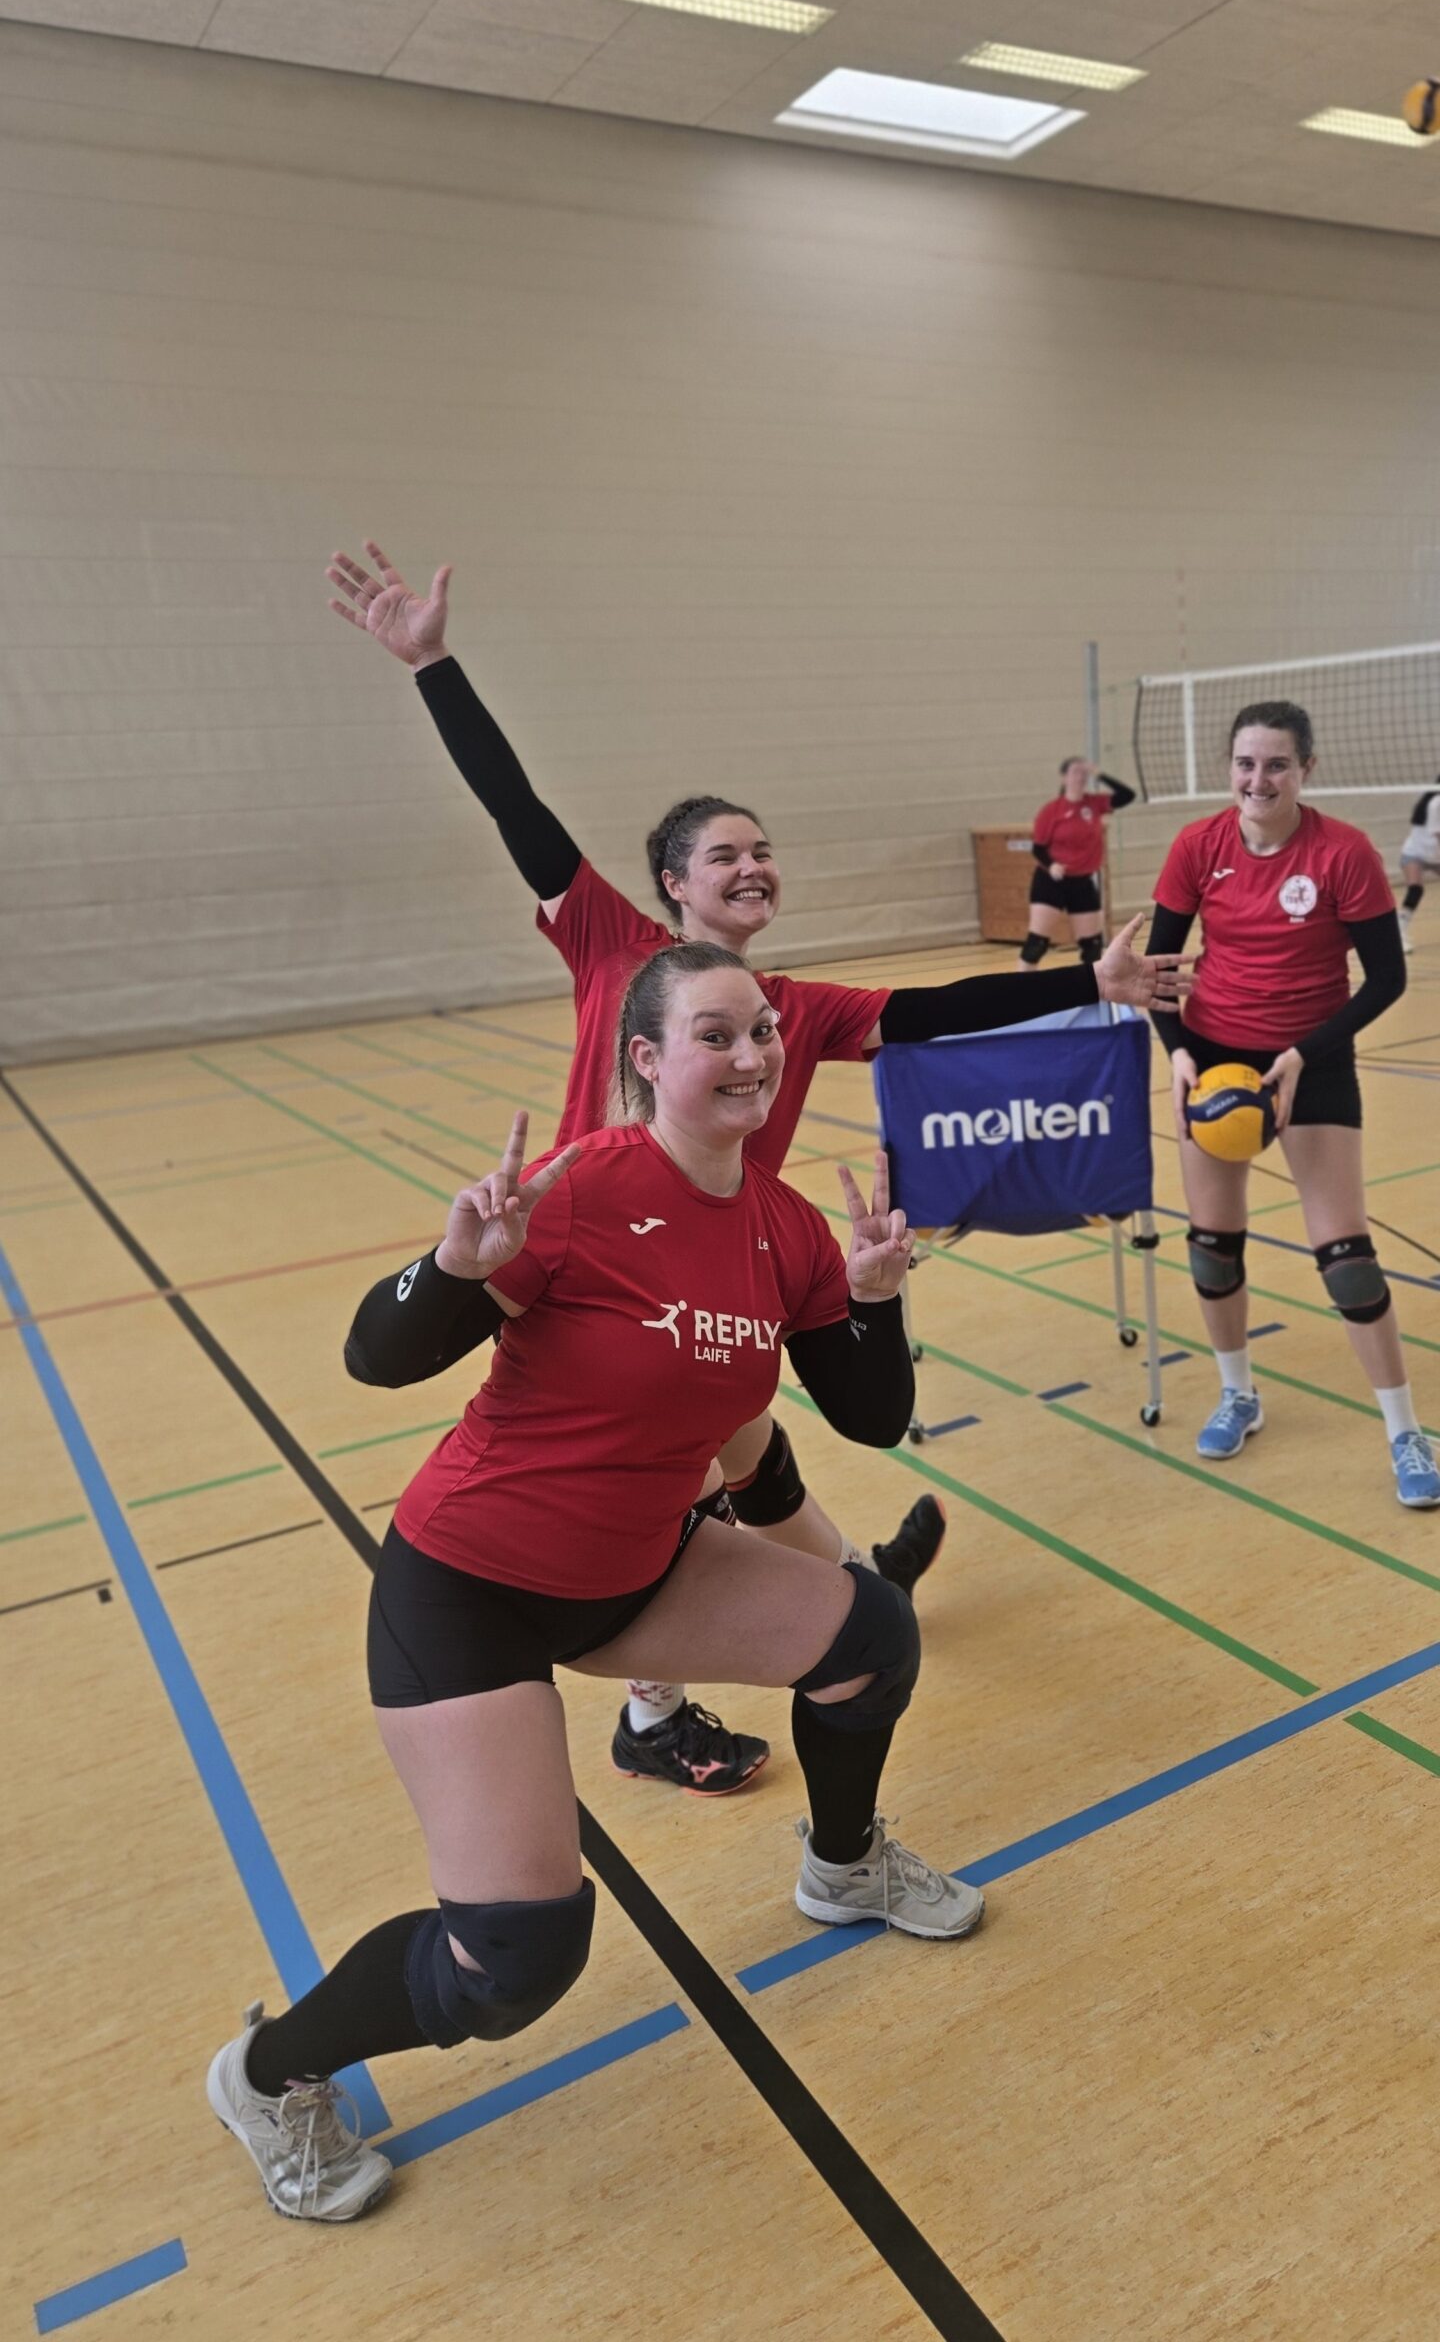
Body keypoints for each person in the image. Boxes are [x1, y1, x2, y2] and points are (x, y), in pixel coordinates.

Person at [328, 544, 1187, 1788]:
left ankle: (844, 1594)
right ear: (672, 883)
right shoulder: (611, 942)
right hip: (584, 1278)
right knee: (691, 1475)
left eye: (762, 850)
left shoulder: (794, 1006)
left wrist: (1080, 983)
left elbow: (931, 1010)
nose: (750, 867)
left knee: (743, 1447)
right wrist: (434, 667)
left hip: (720, 1281)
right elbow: (520, 812)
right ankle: (673, 1701)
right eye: (722, 854)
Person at [209, 944, 983, 2223]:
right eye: (715, 1035)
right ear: (647, 1059)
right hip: (470, 1587)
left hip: (638, 1571)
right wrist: (458, 1266)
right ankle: (266, 2072)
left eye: (762, 1032)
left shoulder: (784, 1226)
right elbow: (374, 1356)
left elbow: (871, 1414)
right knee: (513, 1957)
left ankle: (845, 1867)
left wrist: (874, 1300)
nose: (750, 1055)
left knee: (871, 1635)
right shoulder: (579, 1191)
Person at [1145, 700, 1438, 1507]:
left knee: (1346, 1257)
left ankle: (1405, 1430)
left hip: (1311, 1059)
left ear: (1306, 769)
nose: (1259, 779)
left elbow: (1388, 978)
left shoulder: (1343, 852)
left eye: (1276, 764)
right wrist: (1177, 1054)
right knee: (1212, 1246)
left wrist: (1304, 1054)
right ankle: (1239, 1392)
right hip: (1213, 1061)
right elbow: (1159, 970)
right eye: (1246, 763)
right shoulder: (1198, 846)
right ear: (1229, 768)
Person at [1017, 757, 1136, 971]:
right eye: (1075, 772)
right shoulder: (1051, 810)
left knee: (1092, 948)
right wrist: (1052, 865)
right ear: (1064, 777)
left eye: (1084, 772)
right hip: (1051, 881)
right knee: (1036, 944)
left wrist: (1099, 774)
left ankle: (1090, 989)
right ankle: (1021, 986)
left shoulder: (1094, 804)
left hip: (1082, 882)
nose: (1080, 777)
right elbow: (1038, 848)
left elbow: (1128, 795)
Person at [1398, 777, 1440, 954]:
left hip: (1435, 856)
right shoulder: (1436, 803)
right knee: (1415, 889)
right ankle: (1399, 933)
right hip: (1415, 854)